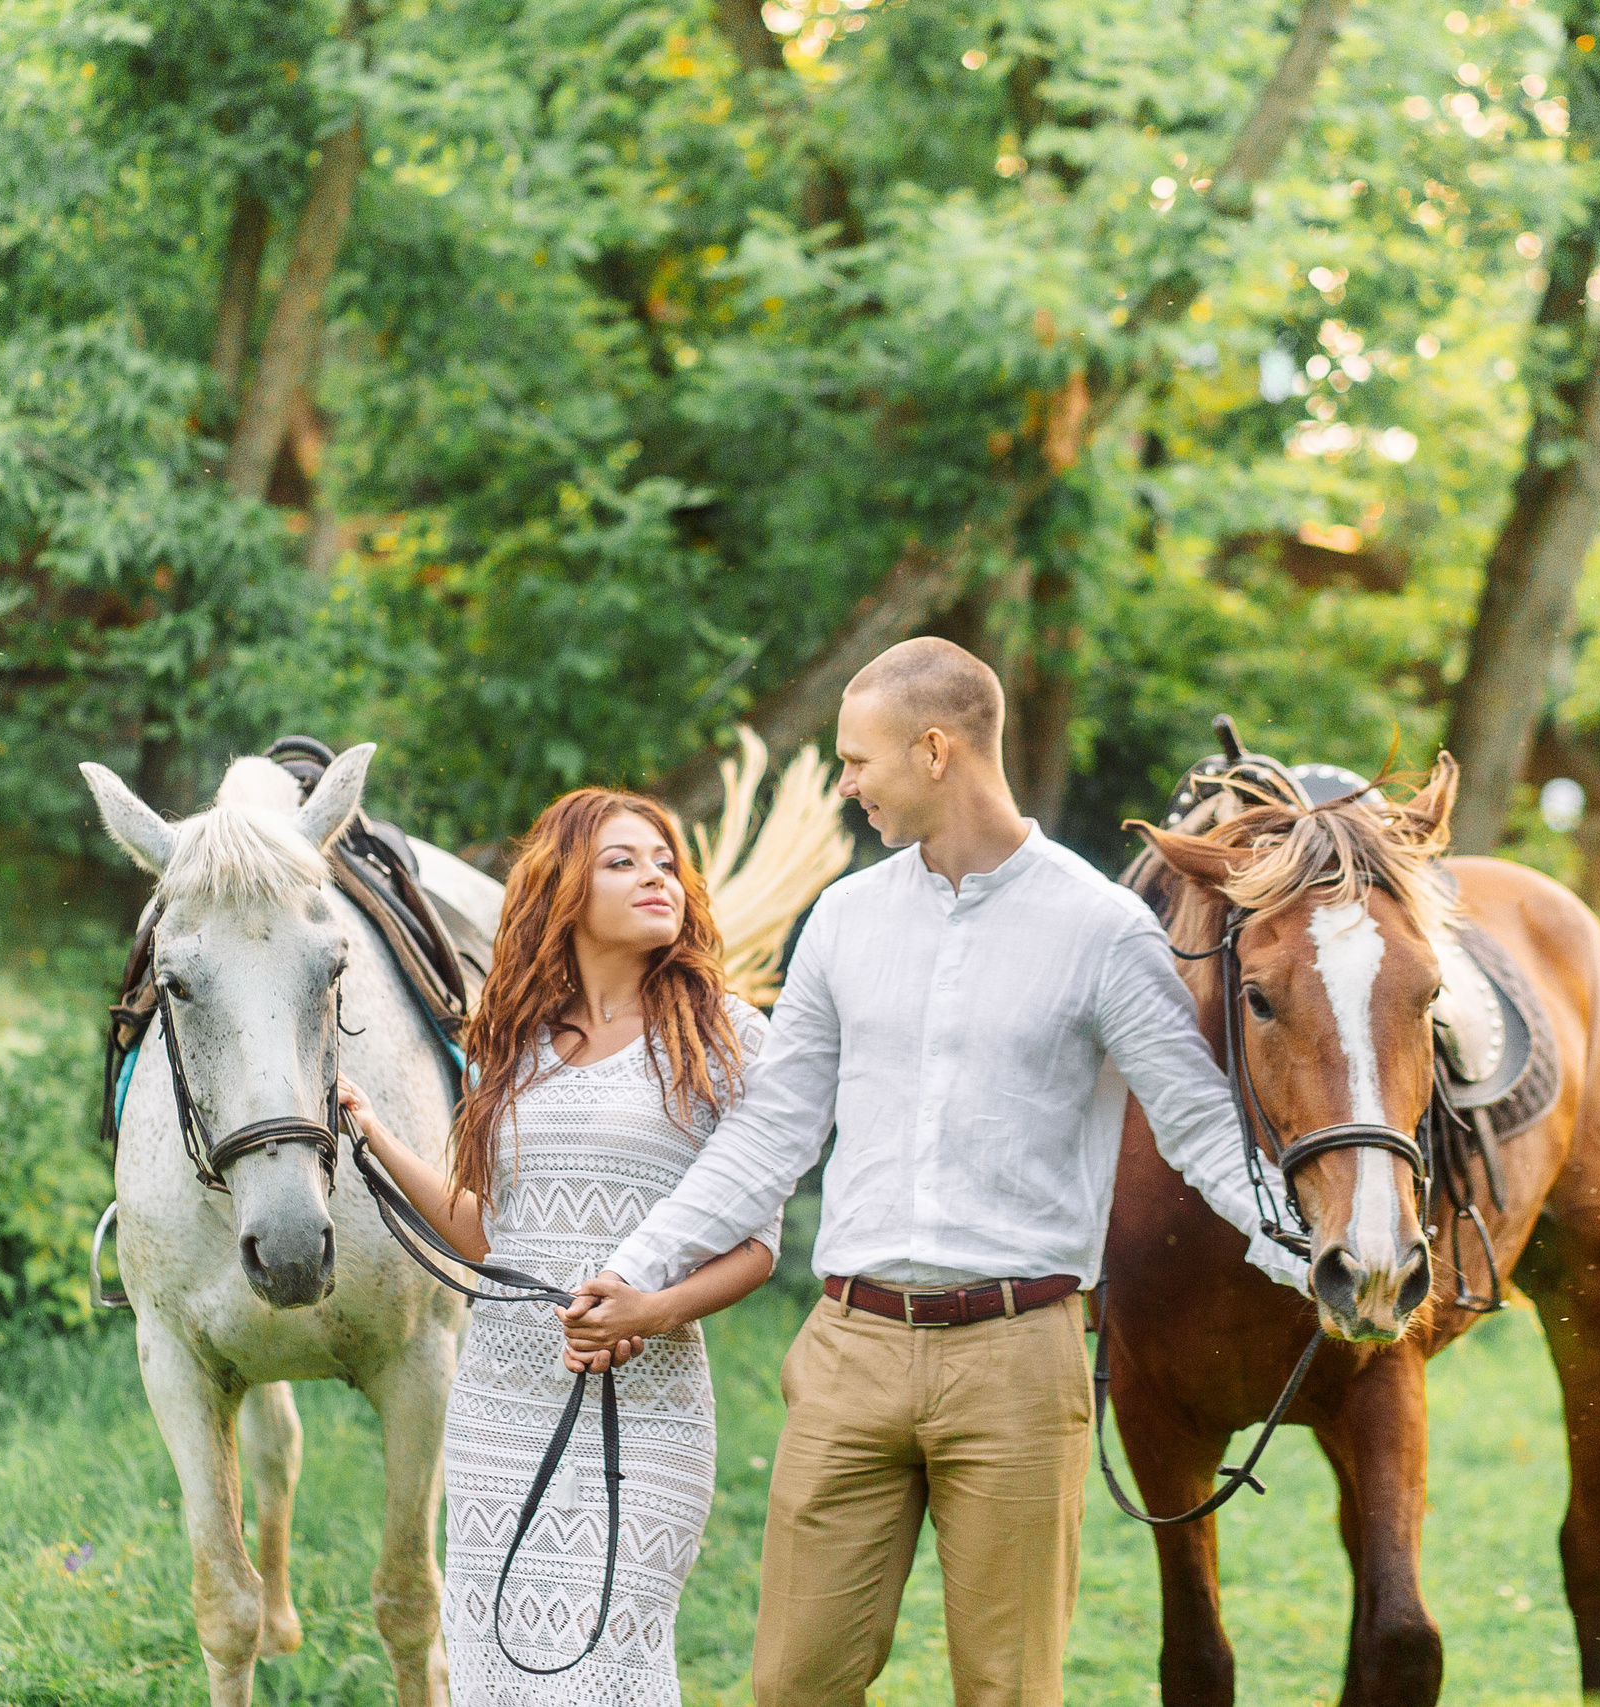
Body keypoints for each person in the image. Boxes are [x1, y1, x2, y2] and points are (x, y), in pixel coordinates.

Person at [560, 638, 1312, 1707]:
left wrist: (1315, 1256)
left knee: (1006, 1693)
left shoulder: (1101, 930)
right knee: (791, 1688)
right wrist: (635, 1266)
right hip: (848, 1355)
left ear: (933, 749)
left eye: (856, 760)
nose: (845, 783)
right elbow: (772, 1131)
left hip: (1018, 1357)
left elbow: (1197, 1128)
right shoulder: (846, 921)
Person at [347, 786, 780, 1703]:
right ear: (565, 890)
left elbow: (756, 1245)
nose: (656, 876)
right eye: (623, 861)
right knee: (495, 1664)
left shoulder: (725, 1037)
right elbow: (483, 1231)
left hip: (646, 1403)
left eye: (665, 861)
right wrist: (377, 1137)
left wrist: (652, 1308)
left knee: (608, 1660)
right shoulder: (515, 1045)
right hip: (499, 1404)